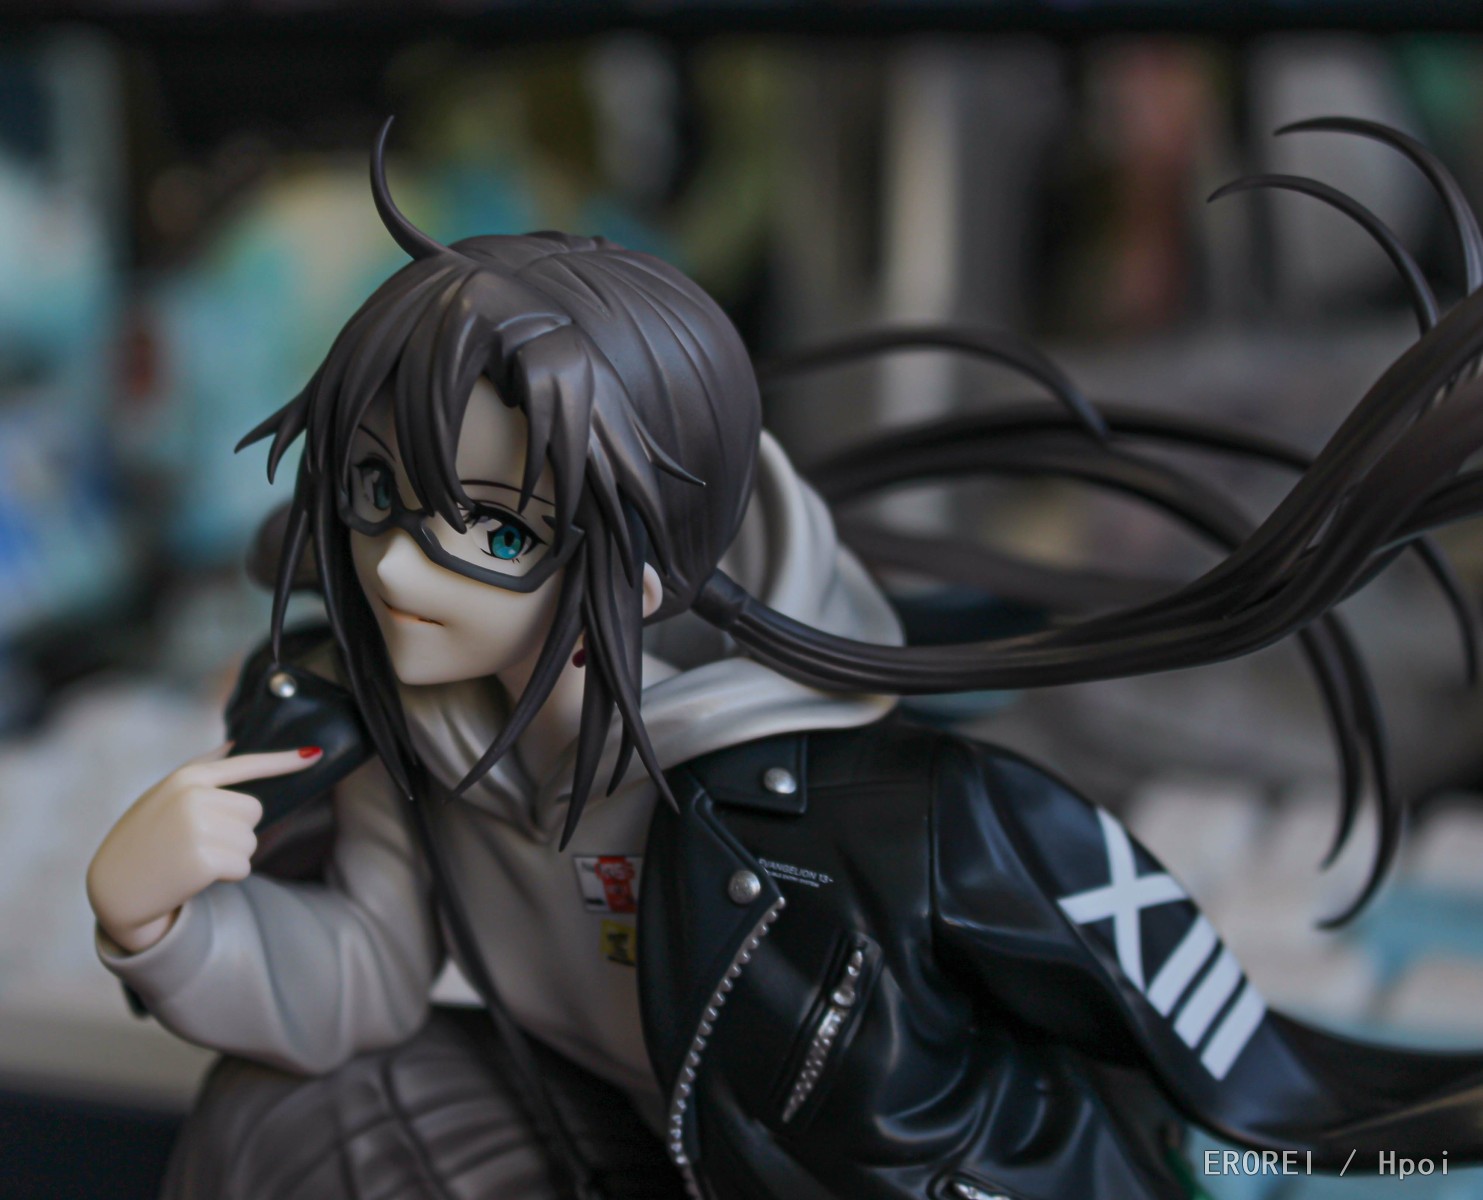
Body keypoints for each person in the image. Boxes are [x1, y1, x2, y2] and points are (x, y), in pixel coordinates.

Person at [87, 119, 1483, 1199]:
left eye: (497, 535)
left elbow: (1224, 1055)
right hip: (624, 1137)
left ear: (638, 569)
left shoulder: (887, 818)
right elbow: (366, 982)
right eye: (378, 499)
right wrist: (164, 924)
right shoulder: (414, 730)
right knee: (279, 1117)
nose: (397, 570)